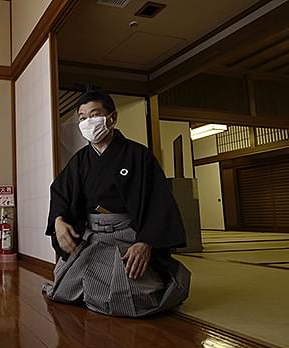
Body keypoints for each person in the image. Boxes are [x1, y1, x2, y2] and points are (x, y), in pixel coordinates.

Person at [43, 89, 191, 317]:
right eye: (82, 118)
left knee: (138, 297)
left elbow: (158, 202)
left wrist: (146, 241)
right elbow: (60, 192)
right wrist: (59, 221)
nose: (87, 122)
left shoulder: (138, 155)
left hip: (126, 236)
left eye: (94, 115)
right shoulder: (80, 161)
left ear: (112, 118)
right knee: (64, 288)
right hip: (90, 236)